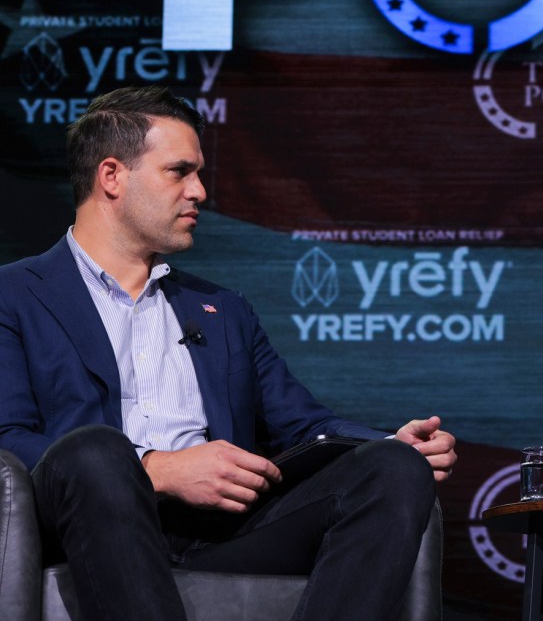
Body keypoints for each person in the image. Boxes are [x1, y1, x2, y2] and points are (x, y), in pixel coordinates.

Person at [0, 86, 457, 620]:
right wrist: (157, 470)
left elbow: (306, 426)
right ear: (112, 177)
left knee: (393, 468)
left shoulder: (223, 310)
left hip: (223, 531)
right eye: (179, 172)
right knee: (96, 451)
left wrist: (395, 443)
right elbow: (7, 437)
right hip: (88, 525)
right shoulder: (14, 294)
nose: (199, 191)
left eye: (198, 174)